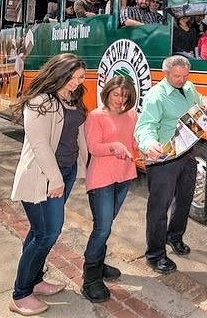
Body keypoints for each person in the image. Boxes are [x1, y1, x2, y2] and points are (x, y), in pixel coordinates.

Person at [9, 53, 87, 316]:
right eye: (75, 77)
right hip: (42, 177)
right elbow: (40, 145)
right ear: (61, 73)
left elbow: (78, 135)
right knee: (47, 233)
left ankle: (35, 280)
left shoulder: (71, 98)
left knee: (38, 232)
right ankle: (20, 294)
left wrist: (82, 168)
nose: (79, 82)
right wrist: (55, 179)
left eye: (81, 78)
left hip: (64, 172)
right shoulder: (40, 102)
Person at [134, 55, 202, 274]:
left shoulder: (189, 87)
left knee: (184, 201)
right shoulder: (156, 96)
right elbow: (145, 126)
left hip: (187, 154)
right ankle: (155, 254)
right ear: (165, 74)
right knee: (158, 208)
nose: (182, 80)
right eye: (176, 76)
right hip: (164, 159)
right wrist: (148, 143)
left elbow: (198, 105)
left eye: (185, 76)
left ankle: (174, 236)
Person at [81, 76, 138, 303]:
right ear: (107, 93)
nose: (120, 100)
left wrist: (148, 148)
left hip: (124, 176)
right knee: (102, 228)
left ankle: (99, 263)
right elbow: (94, 147)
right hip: (102, 179)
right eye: (116, 94)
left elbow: (133, 143)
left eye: (124, 95)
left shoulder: (132, 115)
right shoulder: (95, 116)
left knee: (107, 224)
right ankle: (90, 277)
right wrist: (115, 146)